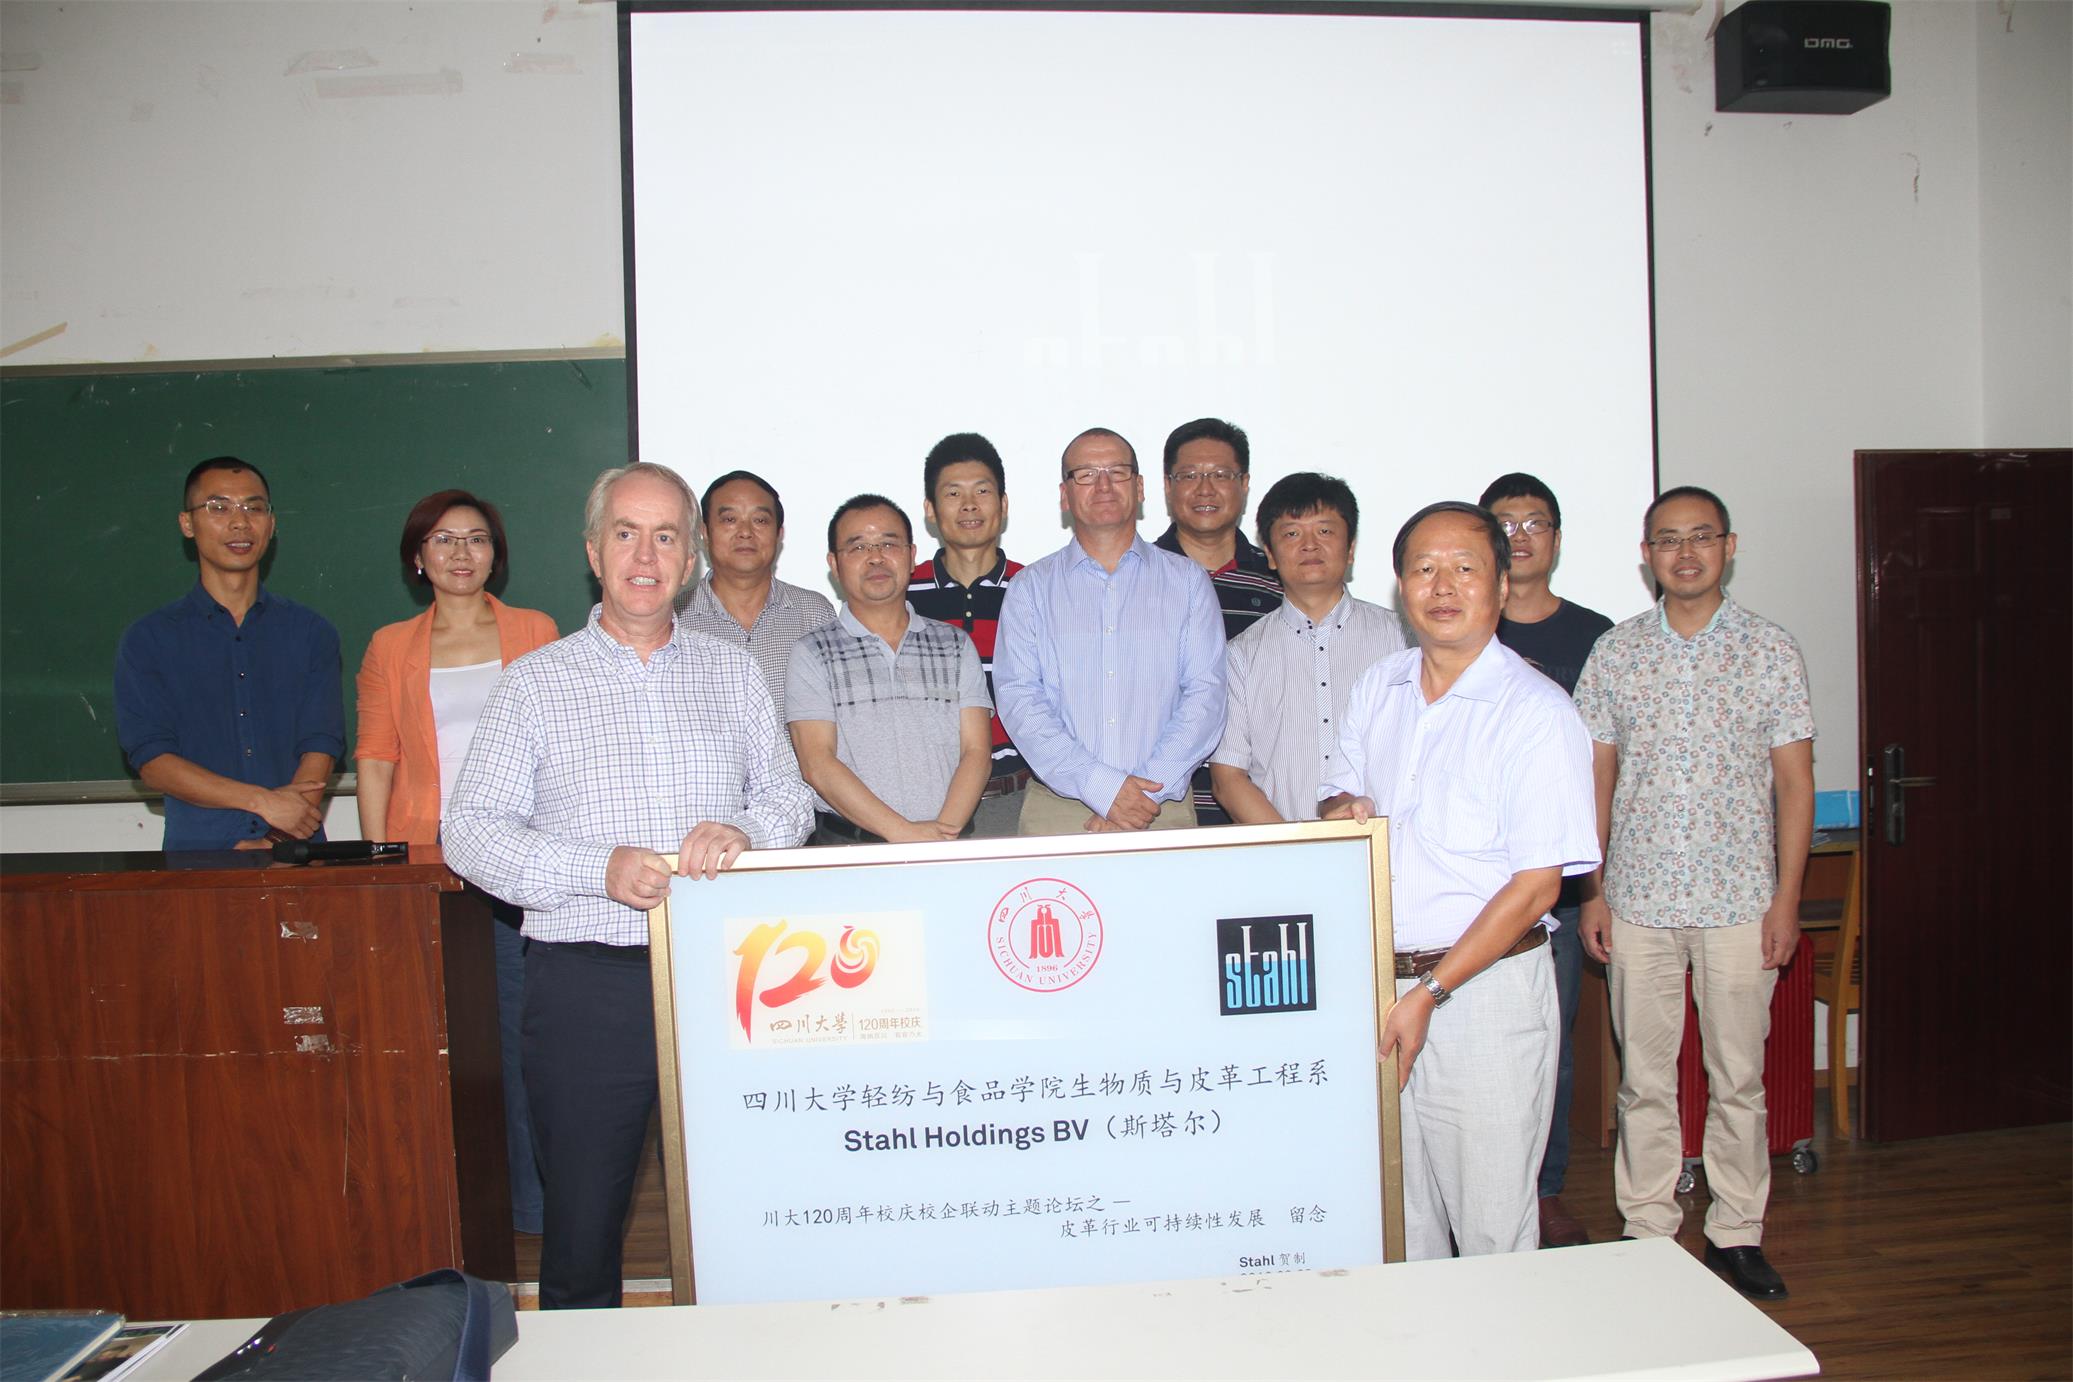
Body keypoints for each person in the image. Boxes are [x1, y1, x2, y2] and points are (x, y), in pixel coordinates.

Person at [442, 462, 813, 1309]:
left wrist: (746, 831)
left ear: (689, 561)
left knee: (749, 1211)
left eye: (665, 537)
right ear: (592, 552)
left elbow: (787, 797)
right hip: (586, 983)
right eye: (625, 534)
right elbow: (470, 832)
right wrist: (595, 868)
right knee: (582, 1226)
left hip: (725, 981)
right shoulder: (534, 683)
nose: (645, 557)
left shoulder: (732, 674)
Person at [1319, 501, 1597, 1260]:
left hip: (1483, 997)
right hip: (1382, 986)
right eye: (1423, 569)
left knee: (1490, 1230)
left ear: (1501, 586)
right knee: (1397, 1224)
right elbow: (1335, 794)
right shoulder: (1377, 687)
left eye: (1465, 568)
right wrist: (1342, 809)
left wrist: (1431, 992)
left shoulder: (1536, 713)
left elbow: (1537, 887)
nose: (1442, 586)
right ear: (1400, 585)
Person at [1574, 485, 1814, 1301]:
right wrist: (1594, 890)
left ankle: (1736, 1234)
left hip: (1740, 900)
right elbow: (1596, 777)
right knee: (1642, 1078)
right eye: (1668, 540)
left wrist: (1785, 901)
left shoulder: (1768, 650)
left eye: (1700, 537)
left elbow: (1795, 783)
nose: (1684, 554)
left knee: (1736, 1077)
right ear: (1645, 555)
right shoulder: (1616, 652)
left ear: (1728, 546)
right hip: (1636, 897)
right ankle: (1646, 1226)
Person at [352, 489, 559, 1236]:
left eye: (476, 539)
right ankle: (443, 1206)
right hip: (426, 862)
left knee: (519, 1037)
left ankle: (532, 1208)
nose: (461, 553)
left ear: (495, 554)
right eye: (443, 540)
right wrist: (382, 867)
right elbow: (376, 758)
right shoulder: (389, 646)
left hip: (517, 861)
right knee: (436, 1037)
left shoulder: (536, 631)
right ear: (418, 557)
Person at [1477, 471, 1615, 1250]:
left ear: (1556, 539)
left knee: (1549, 1042)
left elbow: (1605, 768)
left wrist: (1594, 887)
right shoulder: (1459, 626)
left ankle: (1544, 1187)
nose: (1520, 536)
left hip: (1555, 881)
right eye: (1504, 523)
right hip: (1469, 877)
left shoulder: (1596, 637)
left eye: (1535, 522)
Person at [994, 427, 1226, 836]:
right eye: (1086, 474)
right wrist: (1105, 789)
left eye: (1117, 472)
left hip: (1161, 807)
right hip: (1059, 809)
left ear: (1139, 487)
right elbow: (1020, 698)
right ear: (1065, 495)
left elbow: (1206, 694)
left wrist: (1139, 796)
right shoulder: (1030, 588)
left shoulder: (1188, 581)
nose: (1103, 485)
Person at [115, 456, 343, 850]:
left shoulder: (310, 632)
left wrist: (277, 838)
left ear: (271, 523)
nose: (240, 523)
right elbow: (153, 761)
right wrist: (261, 802)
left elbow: (320, 745)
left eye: (254, 508)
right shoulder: (148, 639)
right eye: (219, 508)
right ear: (187, 523)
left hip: (297, 855)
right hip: (199, 856)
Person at [789, 494, 993, 846]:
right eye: (858, 547)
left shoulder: (955, 644)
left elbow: (976, 752)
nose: (876, 557)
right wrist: (903, 834)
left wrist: (941, 836)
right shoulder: (812, 652)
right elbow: (817, 763)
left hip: (948, 843)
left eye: (888, 543)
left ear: (912, 556)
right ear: (834, 564)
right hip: (850, 850)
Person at [1209, 473, 1404, 823]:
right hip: (1284, 851)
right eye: (1292, 534)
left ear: (1351, 548)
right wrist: (1297, 848)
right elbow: (1228, 777)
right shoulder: (1241, 655)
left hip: (1393, 847)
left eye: (1325, 531)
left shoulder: (1403, 638)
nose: (1310, 545)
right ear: (1270, 554)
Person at [1153, 418, 1282, 825]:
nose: (1205, 489)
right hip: (1160, 808)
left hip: (1263, 807)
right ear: (1167, 486)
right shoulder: (1135, 582)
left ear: (1244, 484)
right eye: (1190, 475)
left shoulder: (1281, 581)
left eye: (1221, 475)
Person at [907, 433, 1030, 837]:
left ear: (1003, 504)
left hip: (1021, 798)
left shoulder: (1035, 589)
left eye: (982, 491)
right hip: (925, 802)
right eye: (953, 493)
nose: (969, 505)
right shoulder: (901, 594)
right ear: (930, 509)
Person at [680, 469, 835, 716]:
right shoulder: (674, 618)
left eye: (760, 520)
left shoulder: (814, 613)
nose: (745, 532)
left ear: (779, 533)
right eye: (729, 519)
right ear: (705, 532)